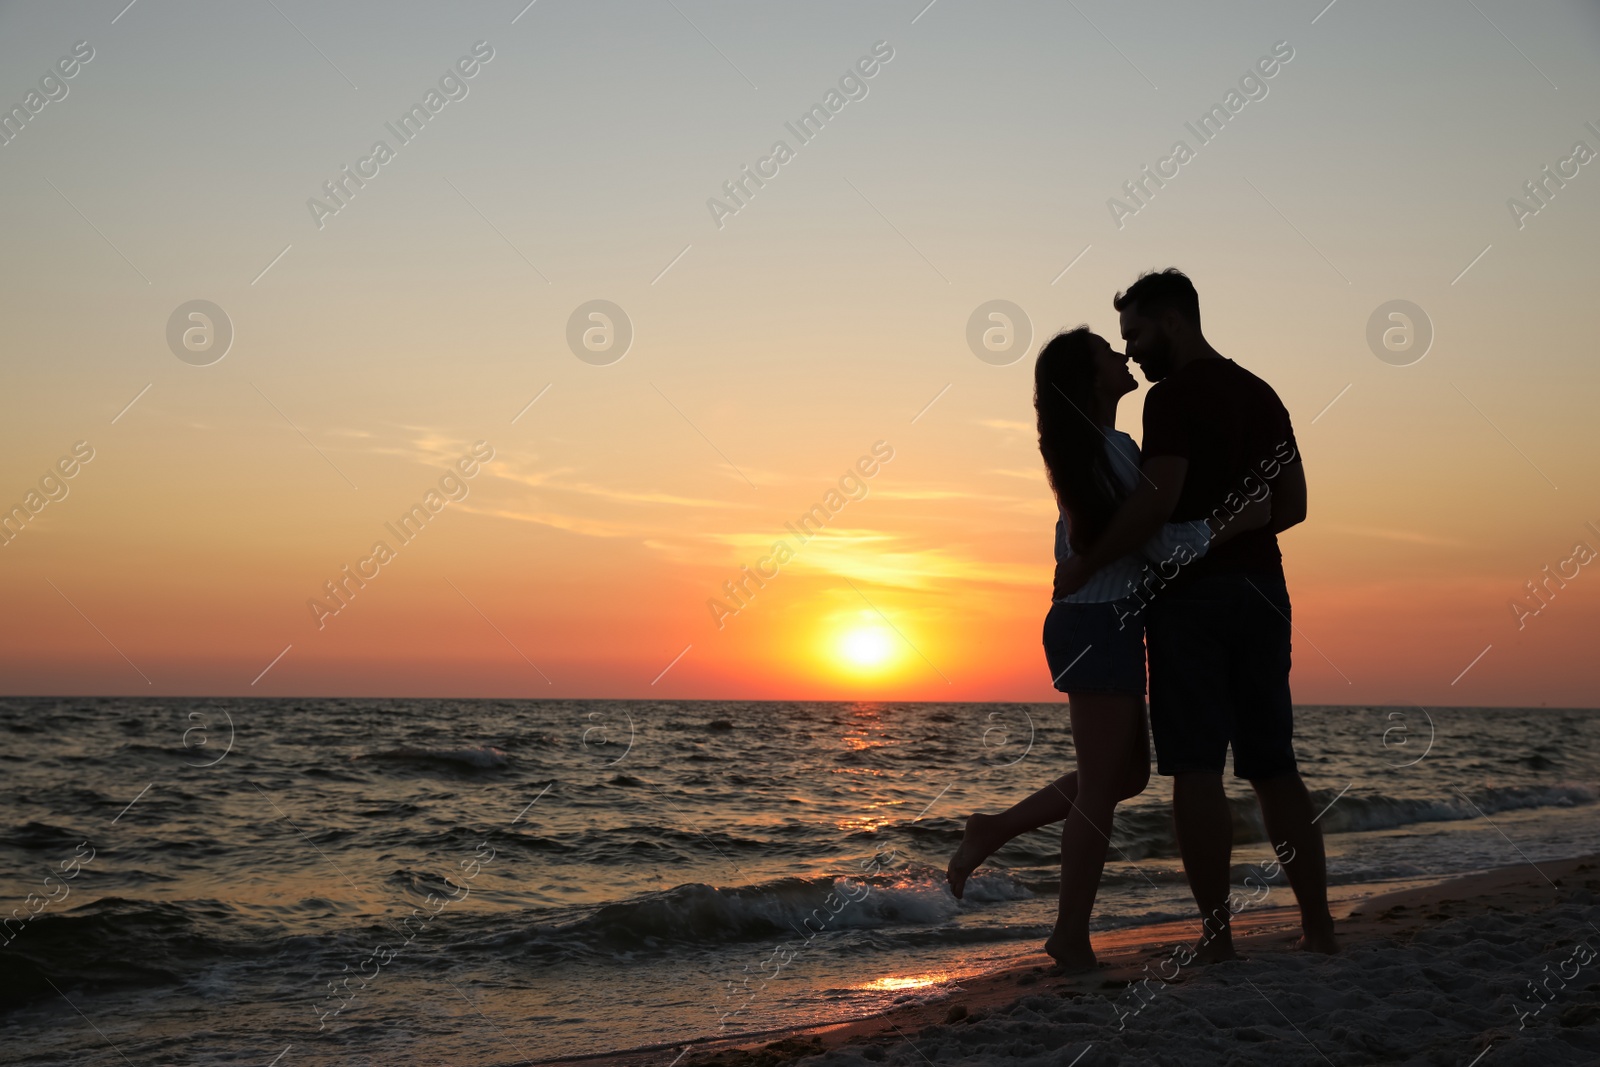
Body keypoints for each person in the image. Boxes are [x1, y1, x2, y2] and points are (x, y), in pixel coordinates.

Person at [945, 325, 1269, 973]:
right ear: (1091, 380)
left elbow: (1139, 540)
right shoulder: (1108, 452)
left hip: (1098, 623)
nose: (1122, 357)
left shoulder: (1103, 449)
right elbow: (1161, 544)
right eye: (1107, 352)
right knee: (1101, 786)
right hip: (1095, 624)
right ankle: (1069, 932)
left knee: (1124, 777)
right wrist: (1240, 517)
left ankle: (993, 828)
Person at [1055, 269, 1338, 960]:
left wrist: (1088, 560)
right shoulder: (1262, 393)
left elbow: (1158, 502)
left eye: (1137, 334)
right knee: (1275, 765)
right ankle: (1319, 925)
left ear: (1172, 321)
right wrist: (1240, 521)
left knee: (1197, 768)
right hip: (1264, 591)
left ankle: (1217, 937)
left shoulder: (1172, 397)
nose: (1134, 353)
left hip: (1191, 602)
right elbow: (1293, 505)